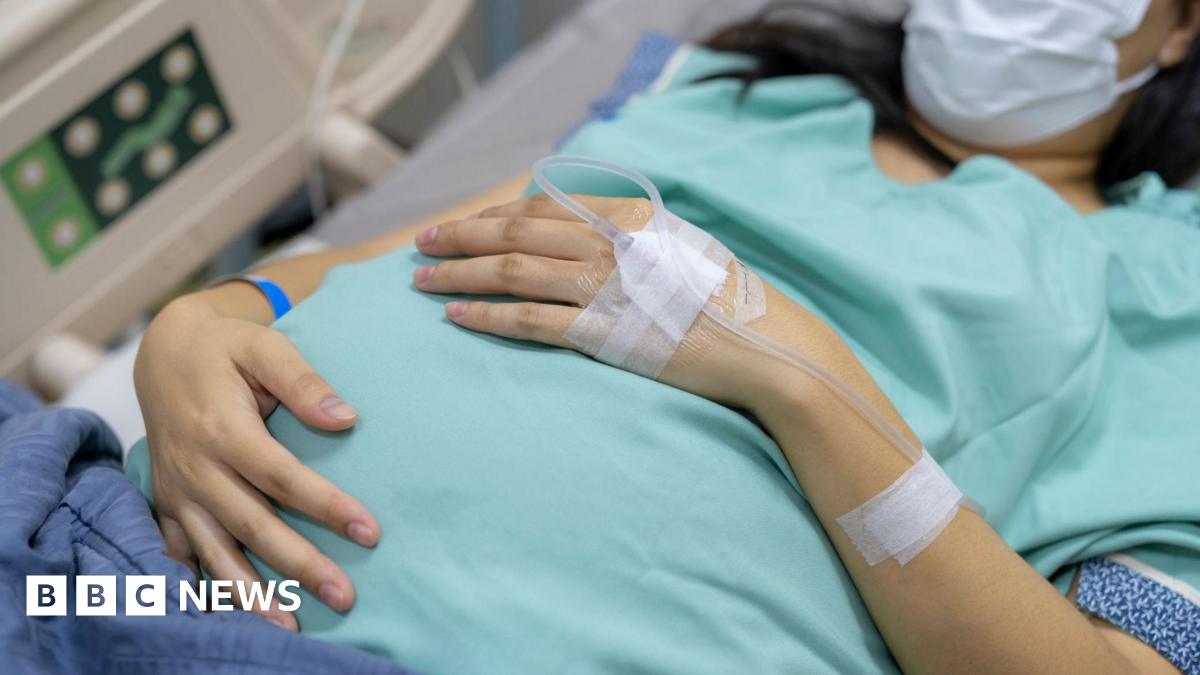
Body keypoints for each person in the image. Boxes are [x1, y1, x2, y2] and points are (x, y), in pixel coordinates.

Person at [129, 0, 1200, 671]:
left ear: (1184, 23)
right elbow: (403, 251)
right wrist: (204, 319)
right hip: (130, 559)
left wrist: (796, 372)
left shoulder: (1164, 291)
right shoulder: (742, 93)